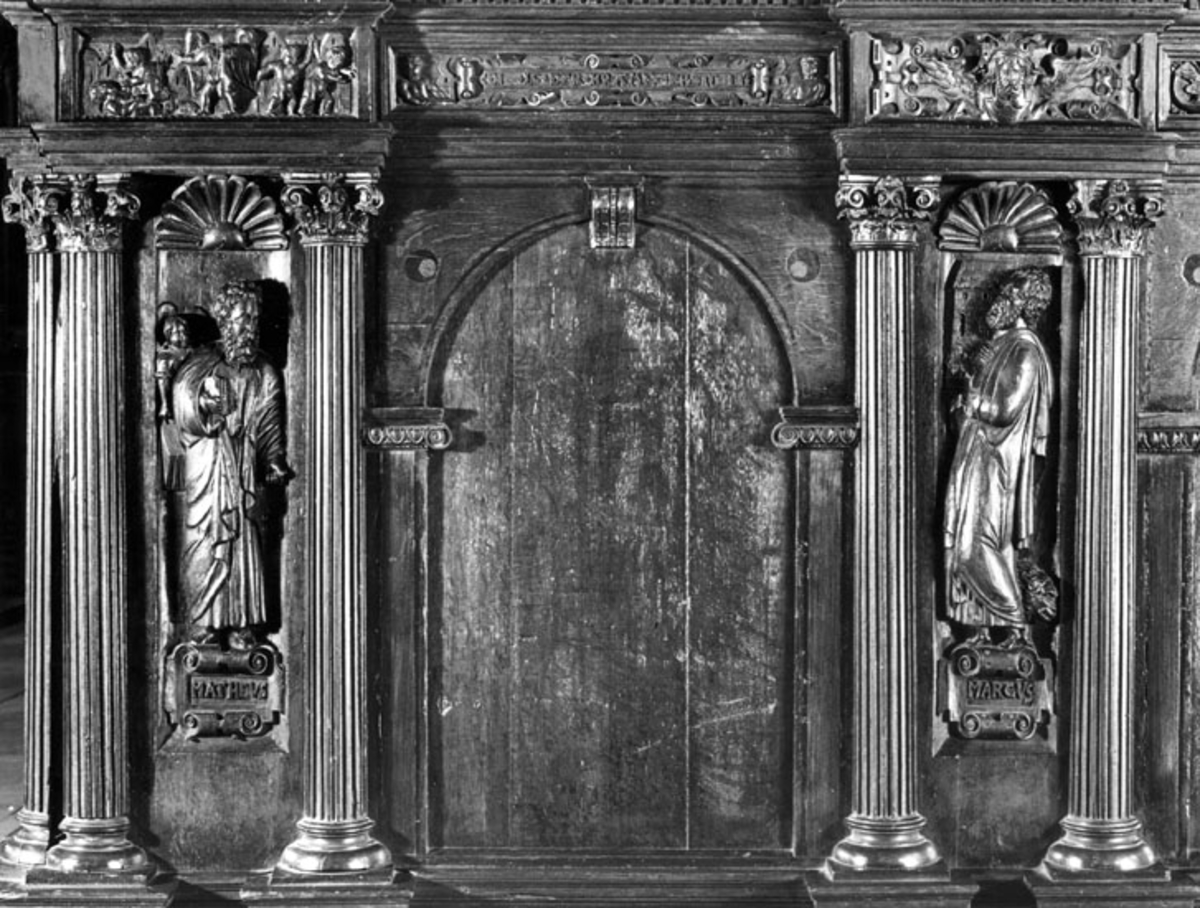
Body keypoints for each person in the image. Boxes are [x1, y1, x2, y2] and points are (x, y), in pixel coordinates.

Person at [170, 281, 289, 648]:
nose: (249, 329)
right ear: (224, 322)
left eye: (254, 320)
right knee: (206, 540)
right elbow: (182, 405)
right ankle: (204, 622)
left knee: (244, 543)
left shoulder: (264, 371)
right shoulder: (202, 363)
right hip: (208, 466)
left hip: (244, 470)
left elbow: (269, 423)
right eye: (242, 320)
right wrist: (204, 407)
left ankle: (241, 623)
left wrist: (273, 459)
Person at [943, 267, 1055, 649]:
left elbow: (1005, 408)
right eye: (1000, 295)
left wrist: (971, 401)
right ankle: (979, 629)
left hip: (998, 461)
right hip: (978, 453)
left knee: (980, 544)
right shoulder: (1001, 345)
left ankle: (1014, 623)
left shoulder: (1024, 350)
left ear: (1025, 306)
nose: (997, 303)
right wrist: (971, 382)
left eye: (1008, 297)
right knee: (966, 543)